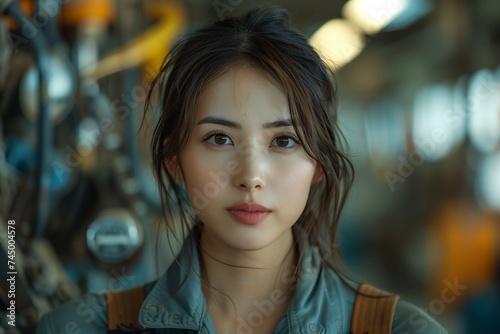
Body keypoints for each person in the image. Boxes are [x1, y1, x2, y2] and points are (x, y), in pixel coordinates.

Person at [36, 7, 447, 334]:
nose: (250, 176)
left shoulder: (402, 329)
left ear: (319, 163)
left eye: (284, 141)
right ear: (173, 159)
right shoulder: (78, 328)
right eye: (219, 138)